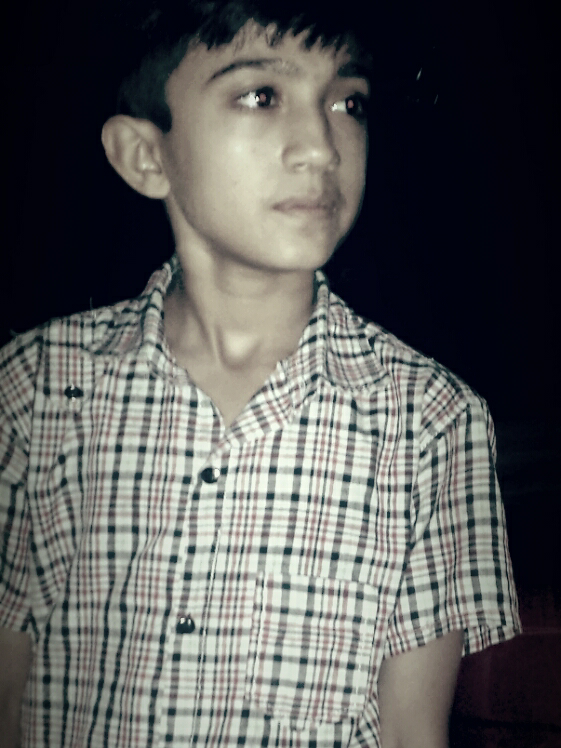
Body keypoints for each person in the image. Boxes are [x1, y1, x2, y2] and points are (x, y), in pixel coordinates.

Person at [0, 1, 521, 746]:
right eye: (261, 95)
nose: (320, 147)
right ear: (145, 156)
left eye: (347, 103)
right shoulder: (34, 388)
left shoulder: (431, 419)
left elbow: (412, 730)